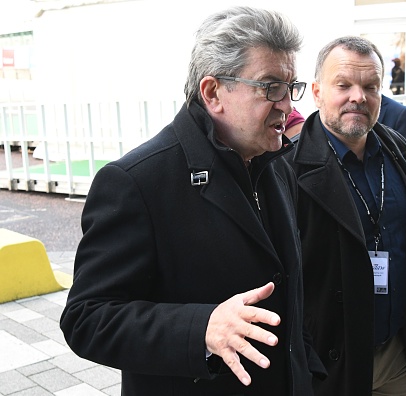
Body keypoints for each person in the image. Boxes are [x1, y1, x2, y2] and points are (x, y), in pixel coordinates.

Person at [60, 6, 325, 396]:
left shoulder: (275, 164)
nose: (287, 105)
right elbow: (87, 318)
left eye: (291, 87)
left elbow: (290, 292)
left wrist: (307, 372)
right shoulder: (136, 181)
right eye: (271, 87)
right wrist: (203, 329)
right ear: (214, 93)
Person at [289, 36, 406, 396]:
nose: (358, 97)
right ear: (316, 91)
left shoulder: (396, 148)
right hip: (332, 364)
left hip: (395, 354)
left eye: (370, 86)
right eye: (343, 85)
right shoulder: (289, 168)